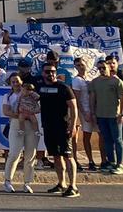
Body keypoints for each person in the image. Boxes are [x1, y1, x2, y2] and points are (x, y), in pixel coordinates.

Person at [37, 61, 80, 197]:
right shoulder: (40, 87)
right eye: (47, 71)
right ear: (42, 73)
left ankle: (73, 186)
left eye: (53, 71)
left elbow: (73, 107)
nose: (50, 74)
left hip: (63, 127)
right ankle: (62, 183)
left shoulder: (64, 87)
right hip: (48, 126)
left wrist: (72, 126)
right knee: (56, 156)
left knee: (68, 156)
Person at [89, 59, 123, 174]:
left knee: (118, 140)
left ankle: (120, 164)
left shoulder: (117, 81)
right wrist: (93, 113)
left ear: (109, 67)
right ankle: (111, 162)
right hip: (101, 115)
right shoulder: (95, 82)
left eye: (103, 68)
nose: (101, 70)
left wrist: (122, 113)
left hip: (114, 115)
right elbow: (92, 98)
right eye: (99, 68)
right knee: (107, 140)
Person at [2, 73, 37, 193]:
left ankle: (27, 183)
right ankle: (7, 181)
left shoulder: (30, 94)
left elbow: (37, 106)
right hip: (16, 123)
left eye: (17, 81)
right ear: (10, 84)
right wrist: (20, 114)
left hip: (30, 124)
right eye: (13, 82)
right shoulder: (8, 96)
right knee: (14, 153)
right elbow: (6, 111)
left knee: (30, 154)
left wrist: (30, 113)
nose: (16, 84)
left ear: (22, 81)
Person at [70, 58, 97, 171]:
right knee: (86, 137)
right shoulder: (76, 80)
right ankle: (89, 160)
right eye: (77, 65)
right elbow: (77, 98)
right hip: (84, 112)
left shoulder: (92, 79)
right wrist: (84, 113)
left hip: (95, 111)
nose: (80, 67)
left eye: (82, 64)